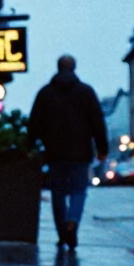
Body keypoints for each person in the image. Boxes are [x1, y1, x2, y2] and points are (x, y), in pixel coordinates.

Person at [27, 54, 108, 250]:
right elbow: (97, 122)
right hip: (80, 152)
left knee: (58, 194)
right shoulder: (86, 92)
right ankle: (73, 221)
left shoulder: (45, 93)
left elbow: (34, 123)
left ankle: (62, 234)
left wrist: (31, 146)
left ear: (58, 67)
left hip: (55, 153)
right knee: (79, 190)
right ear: (74, 68)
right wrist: (102, 148)